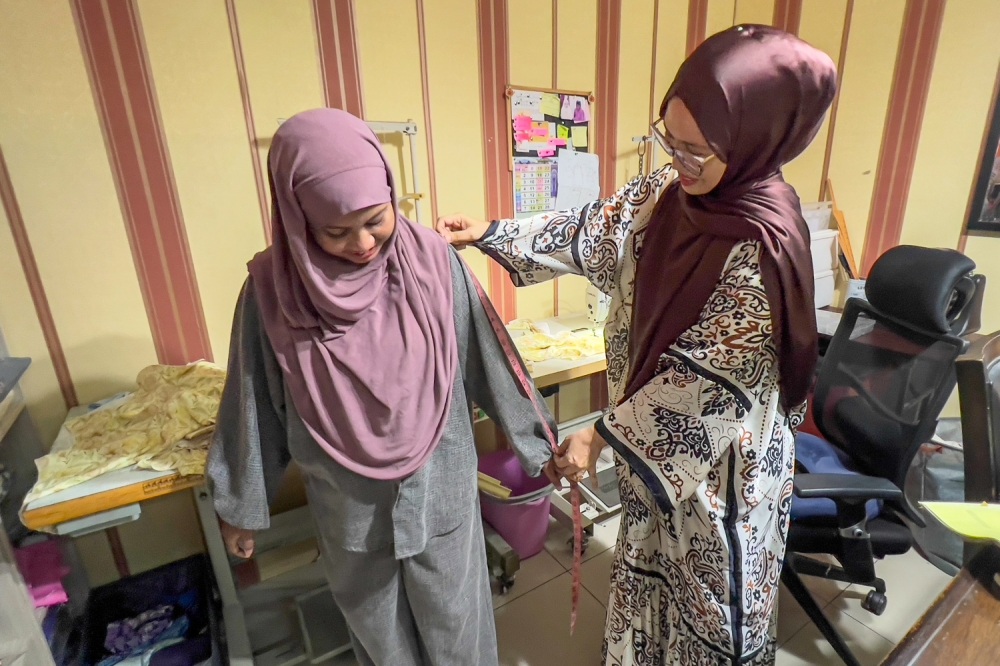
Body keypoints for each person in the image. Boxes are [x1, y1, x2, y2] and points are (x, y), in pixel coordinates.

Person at [438, 25, 836, 665]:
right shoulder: (666, 194)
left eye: (695, 150)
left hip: (723, 479)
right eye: (667, 139)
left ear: (760, 139)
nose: (676, 160)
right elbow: (591, 230)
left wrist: (596, 436)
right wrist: (490, 231)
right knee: (647, 589)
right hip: (649, 459)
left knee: (708, 615)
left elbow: (704, 382)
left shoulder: (764, 245)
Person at [207, 108, 556, 666]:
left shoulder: (436, 264)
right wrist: (240, 505)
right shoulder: (271, 294)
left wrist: (541, 444)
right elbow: (253, 405)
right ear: (297, 220)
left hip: (440, 493)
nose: (363, 243)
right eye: (335, 231)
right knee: (382, 644)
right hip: (349, 511)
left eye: (375, 219)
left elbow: (490, 358)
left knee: (459, 637)